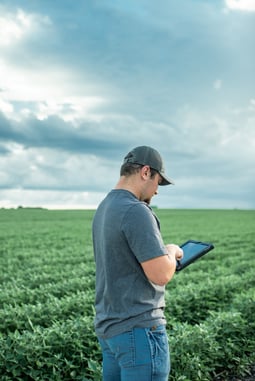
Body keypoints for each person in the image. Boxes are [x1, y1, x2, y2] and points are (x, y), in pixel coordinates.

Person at [92, 145, 183, 381]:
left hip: (111, 330)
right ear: (145, 172)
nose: (157, 191)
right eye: (158, 182)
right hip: (138, 331)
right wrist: (171, 251)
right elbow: (161, 274)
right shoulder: (136, 210)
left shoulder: (105, 207)